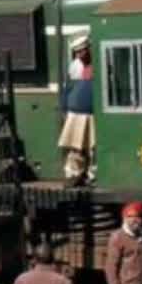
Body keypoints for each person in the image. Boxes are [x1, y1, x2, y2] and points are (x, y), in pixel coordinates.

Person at [58, 35, 96, 186]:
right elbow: (68, 87)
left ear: (89, 49)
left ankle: (93, 175)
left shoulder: (99, 64)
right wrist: (64, 106)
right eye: (77, 52)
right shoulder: (74, 66)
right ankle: (74, 175)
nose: (80, 55)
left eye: (83, 51)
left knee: (93, 148)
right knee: (75, 147)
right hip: (74, 114)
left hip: (92, 113)